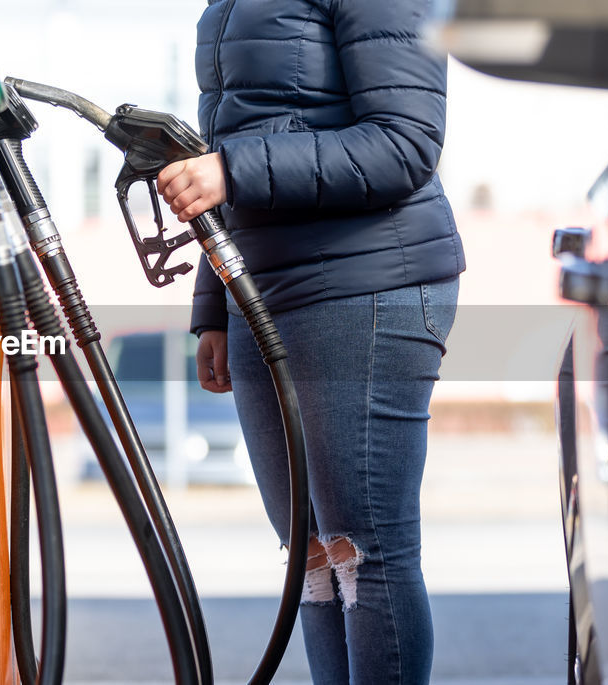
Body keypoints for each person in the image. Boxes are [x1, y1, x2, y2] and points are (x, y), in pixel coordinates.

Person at [156, 0, 464, 682]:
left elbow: (405, 141)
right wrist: (214, 305)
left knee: (362, 551)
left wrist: (230, 168)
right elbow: (234, 138)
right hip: (261, 294)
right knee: (315, 557)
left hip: (366, 284)